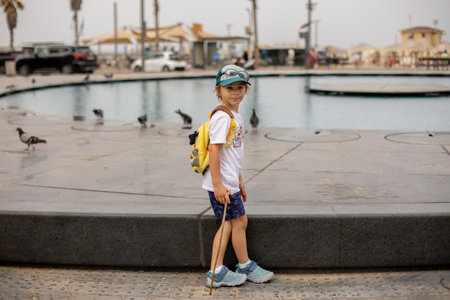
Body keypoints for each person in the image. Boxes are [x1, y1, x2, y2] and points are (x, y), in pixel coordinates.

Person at [204, 64, 274, 288]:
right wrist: (218, 185)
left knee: (239, 221)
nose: (235, 93)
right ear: (218, 91)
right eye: (229, 88)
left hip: (230, 182)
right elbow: (213, 150)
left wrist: (239, 180)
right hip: (222, 184)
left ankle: (244, 265)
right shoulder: (223, 118)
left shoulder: (235, 116)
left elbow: (231, 153)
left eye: (240, 88)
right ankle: (216, 273)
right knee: (227, 224)